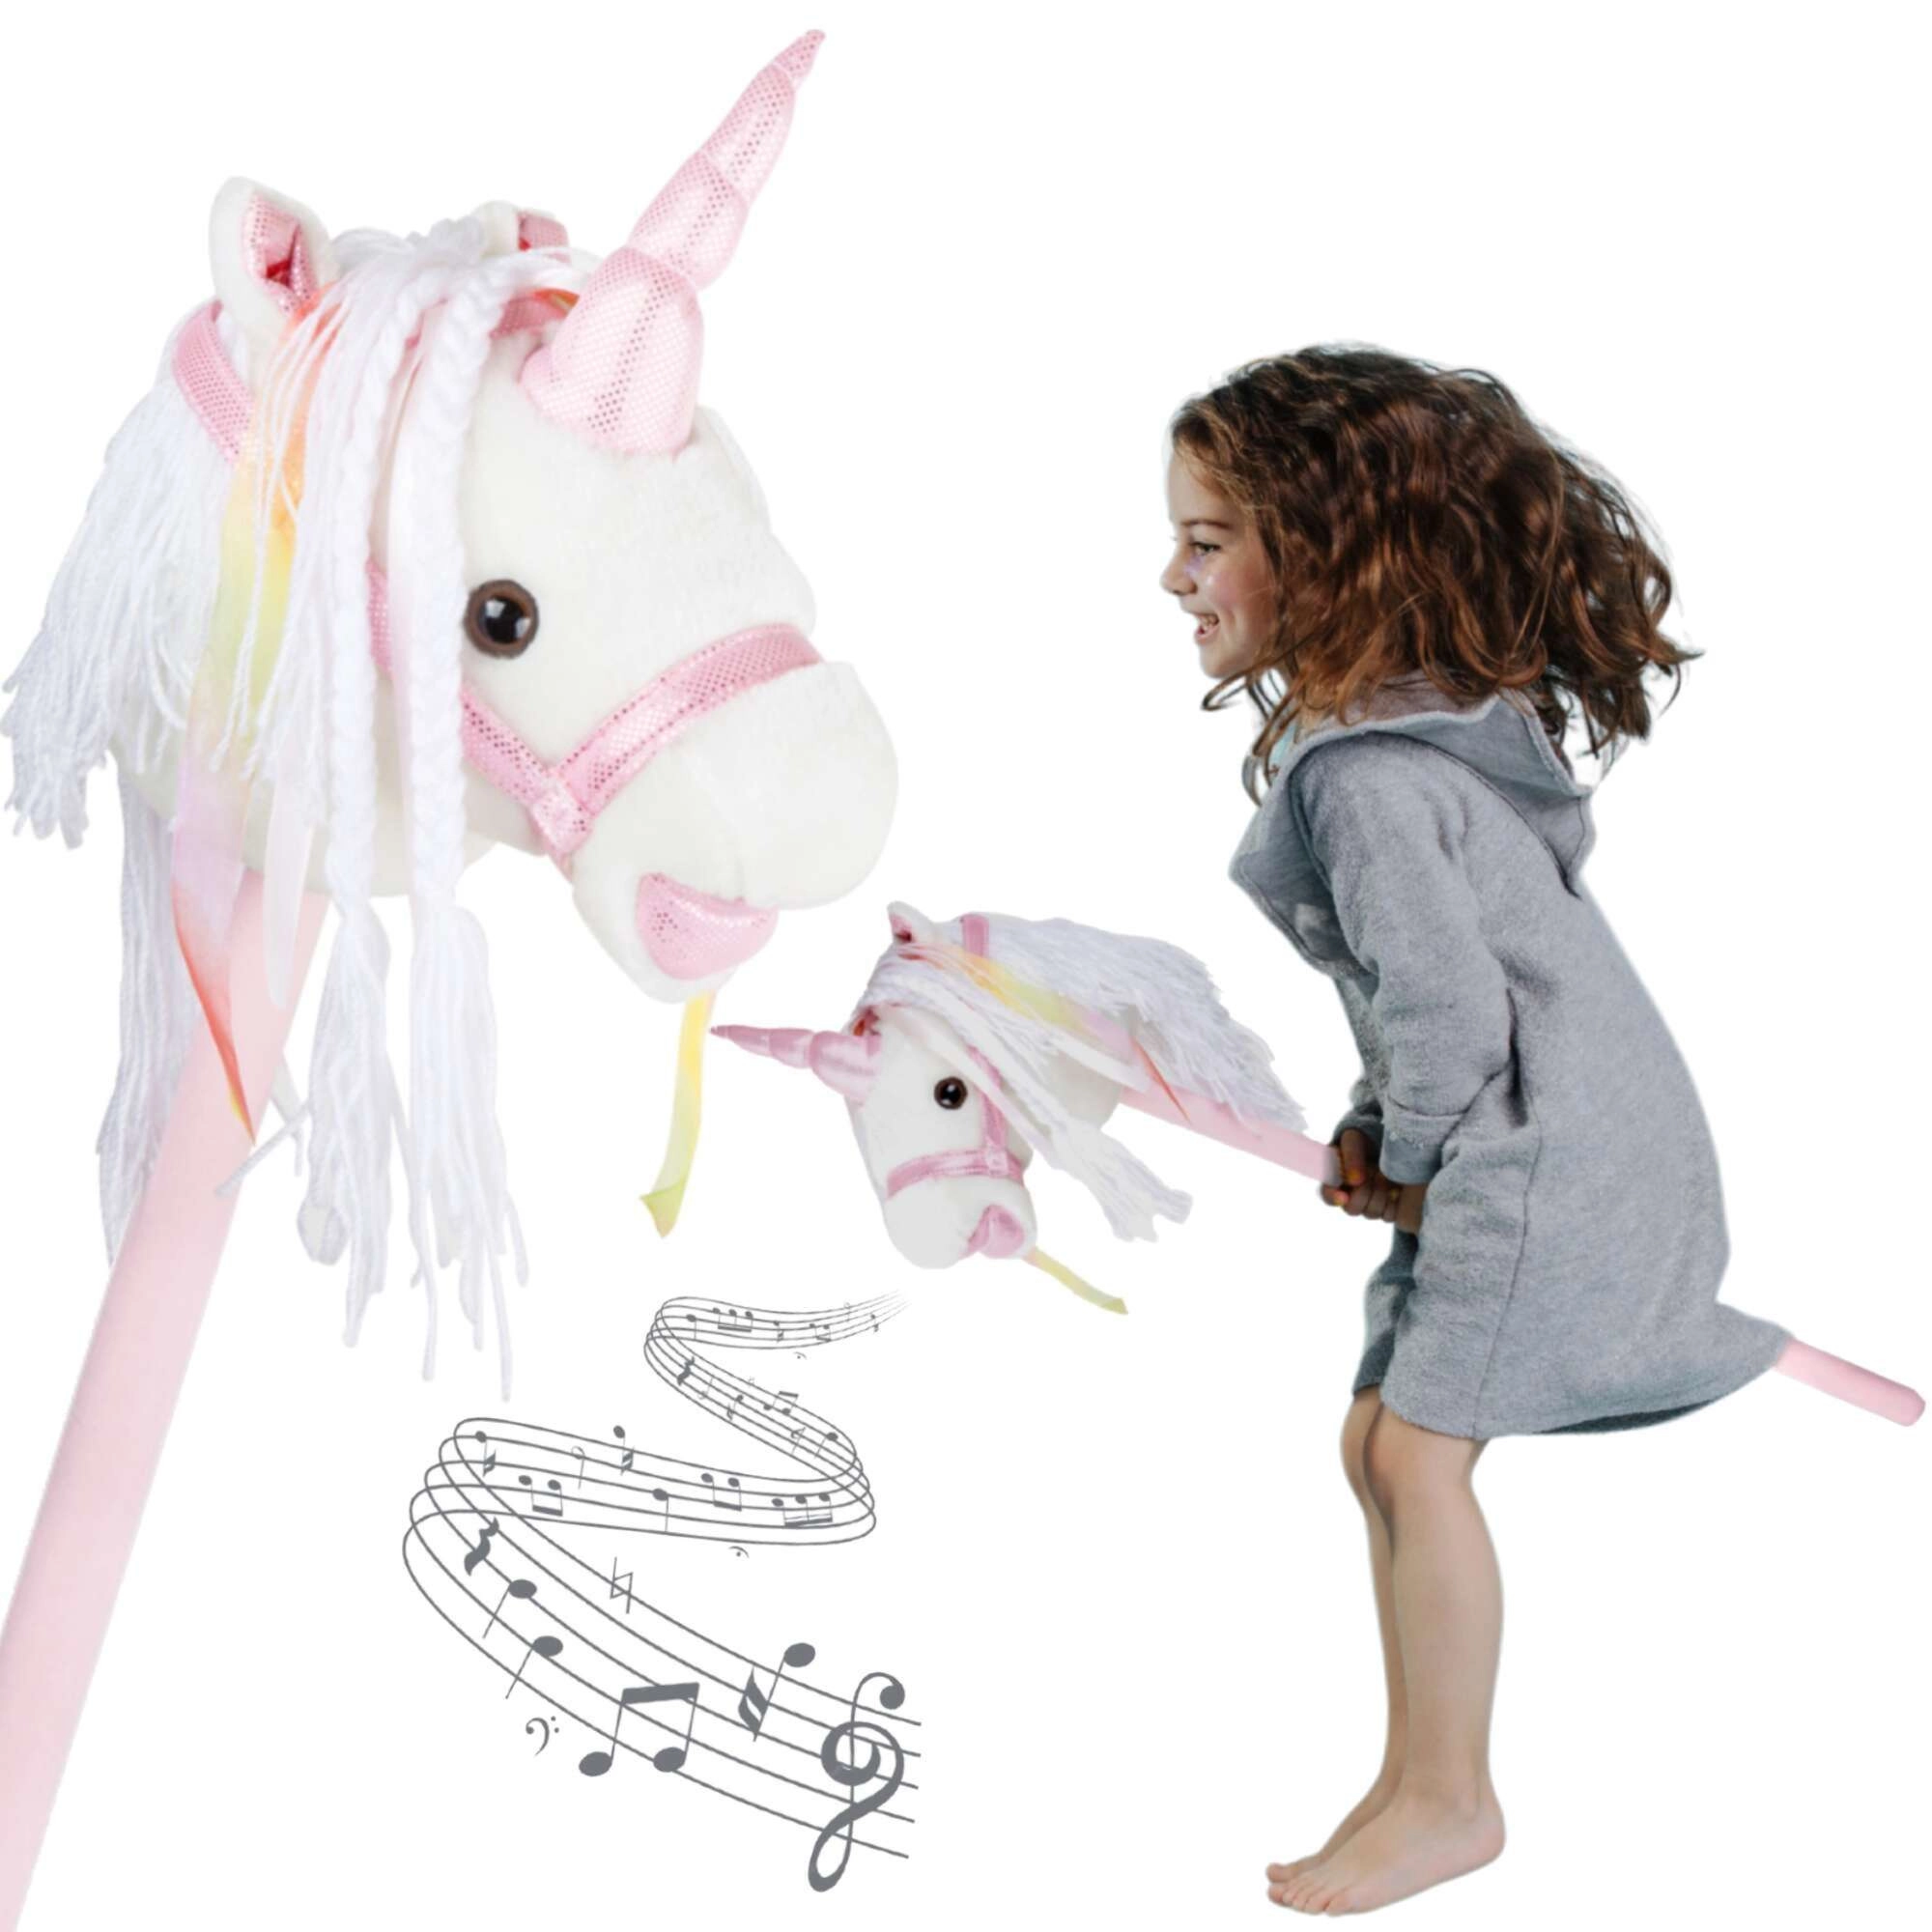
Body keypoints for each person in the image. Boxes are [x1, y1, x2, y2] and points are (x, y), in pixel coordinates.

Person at [1159, 349, 1790, 1915]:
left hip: (1553, 1157)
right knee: (1379, 1439)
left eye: (1207, 539)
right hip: (1548, 1133)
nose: (1173, 576)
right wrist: (1387, 1130)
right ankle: (1412, 1777)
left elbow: (1444, 1008)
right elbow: (1439, 1000)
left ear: (1327, 555)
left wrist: (1413, 1148)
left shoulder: (1371, 781)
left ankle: (1451, 1798)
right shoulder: (1413, 747)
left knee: (1418, 1454)